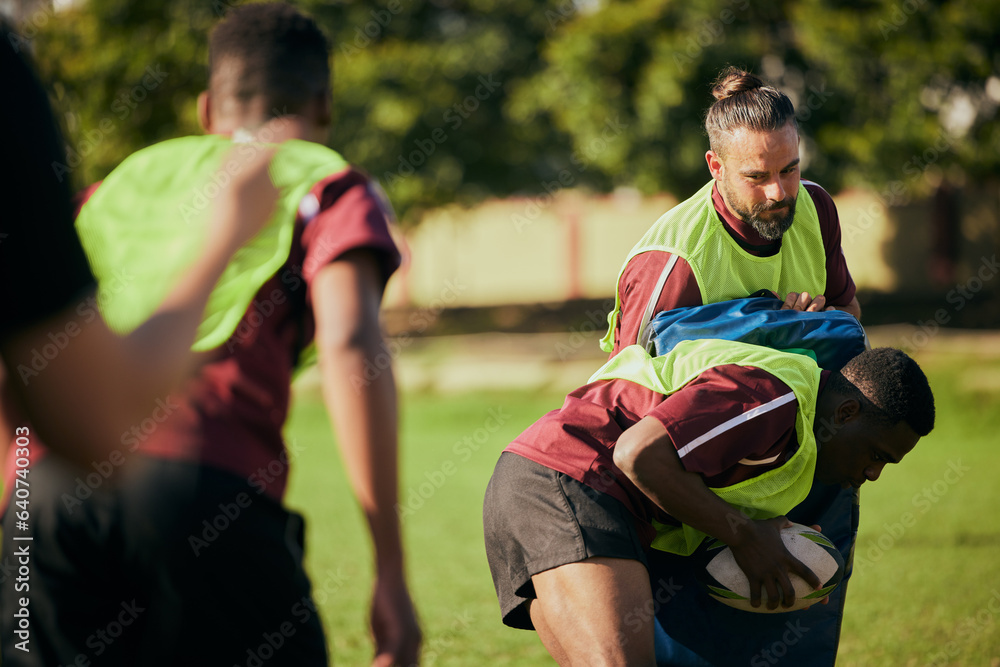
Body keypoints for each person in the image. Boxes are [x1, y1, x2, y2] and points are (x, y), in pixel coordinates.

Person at [0, 4, 420, 666]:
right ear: (324, 104)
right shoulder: (323, 180)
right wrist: (390, 573)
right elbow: (349, 344)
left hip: (45, 495)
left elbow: (23, 339)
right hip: (202, 489)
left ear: (205, 110)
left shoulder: (119, 185)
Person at [598, 67, 863, 664]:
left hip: (797, 462)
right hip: (691, 494)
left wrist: (814, 325)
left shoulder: (816, 208)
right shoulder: (671, 263)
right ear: (715, 168)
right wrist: (729, 526)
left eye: (790, 169)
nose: (780, 192)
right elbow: (631, 403)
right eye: (758, 176)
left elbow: (849, 315)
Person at [483, 339, 935, 666]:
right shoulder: (775, 395)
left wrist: (783, 546)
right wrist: (745, 535)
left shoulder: (798, 445)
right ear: (847, 413)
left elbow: (706, 494)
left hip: (546, 486)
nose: (873, 474)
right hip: (567, 479)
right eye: (877, 455)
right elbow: (638, 454)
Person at [0, 22, 279, 468]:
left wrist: (18, 509)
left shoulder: (115, 184)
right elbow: (99, 419)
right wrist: (230, 232)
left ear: (205, 110)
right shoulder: (7, 81)